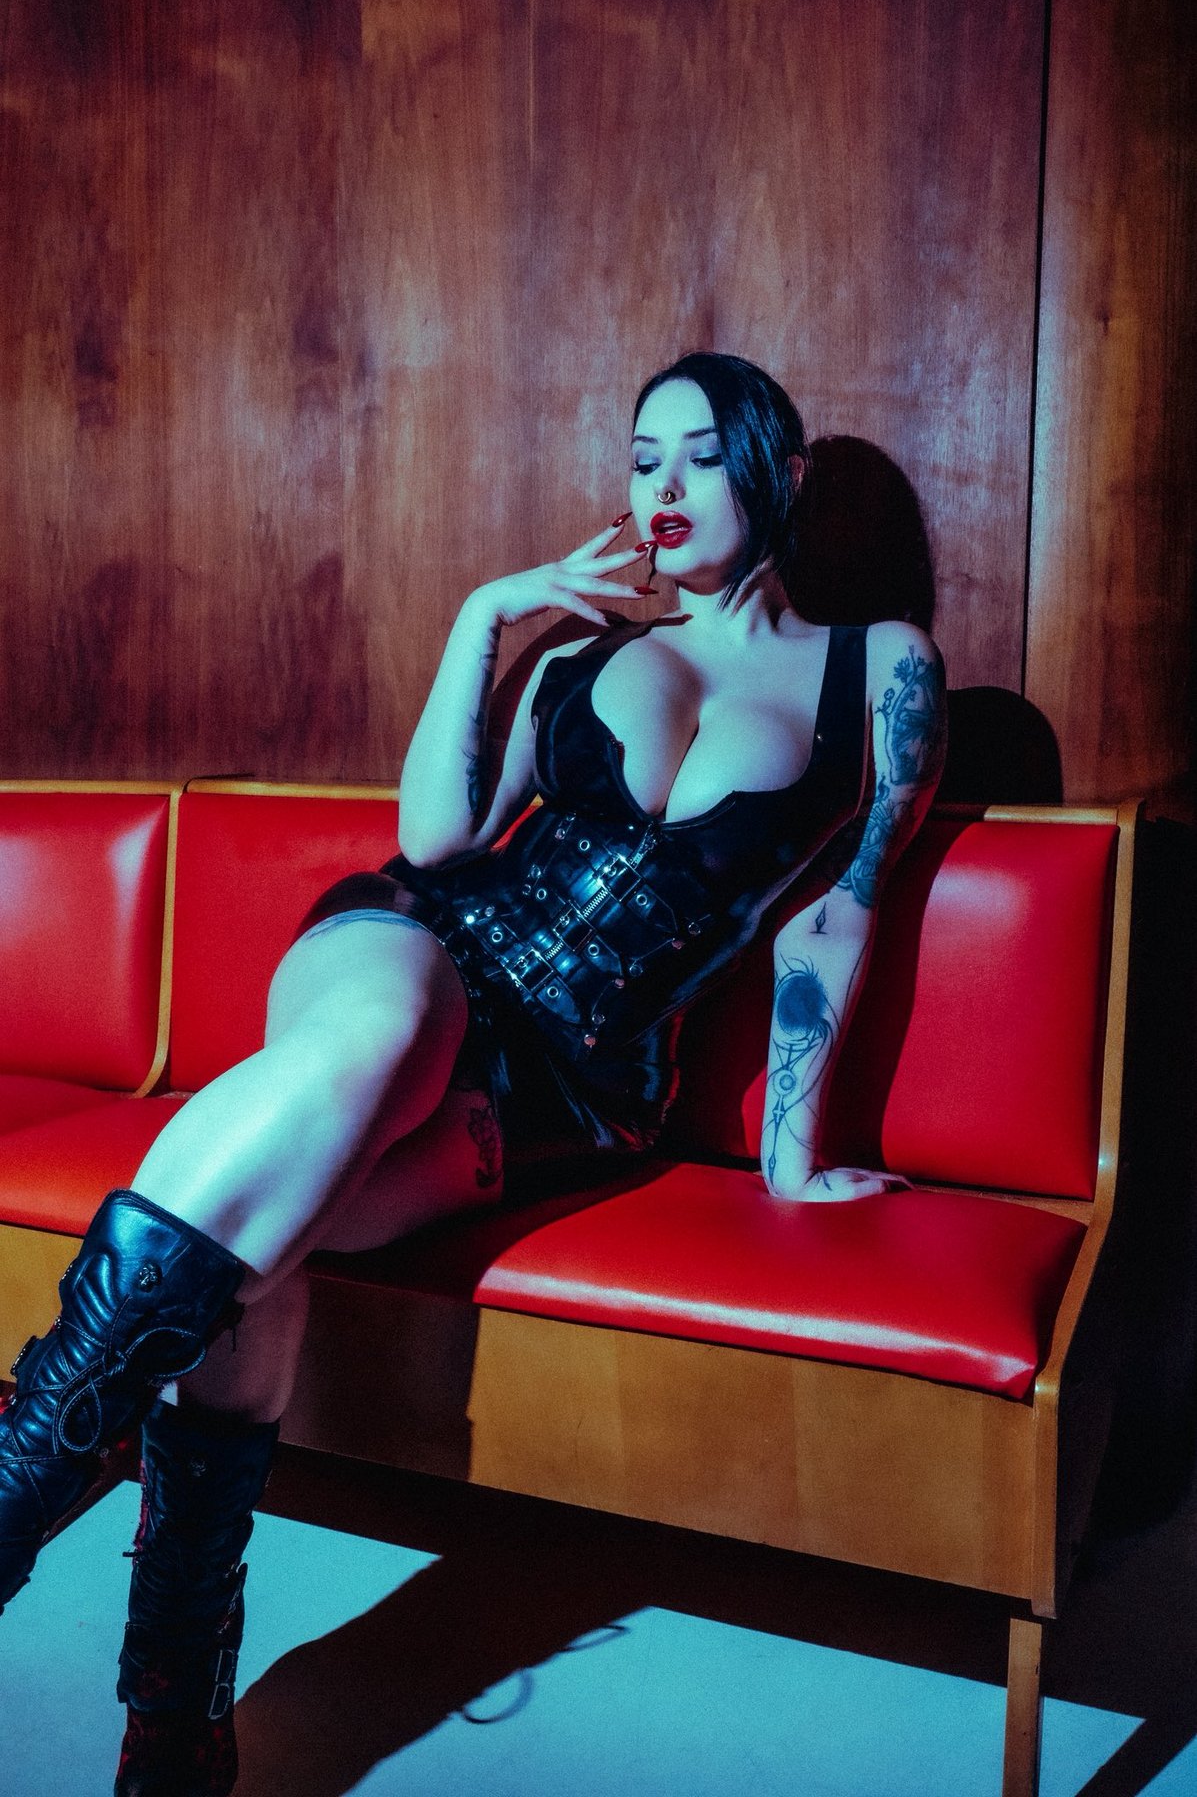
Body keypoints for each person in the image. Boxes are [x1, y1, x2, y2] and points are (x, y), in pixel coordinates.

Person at [0, 352, 946, 1795]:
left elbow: (838, 912)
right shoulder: (579, 657)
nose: (666, 487)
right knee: (377, 1042)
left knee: (271, 1231)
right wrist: (484, 616)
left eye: (701, 455)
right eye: (643, 458)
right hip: (414, 949)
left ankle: (174, 1707)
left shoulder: (879, 669)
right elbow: (436, 843)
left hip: (576, 1084)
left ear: (781, 470)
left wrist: (790, 1161)